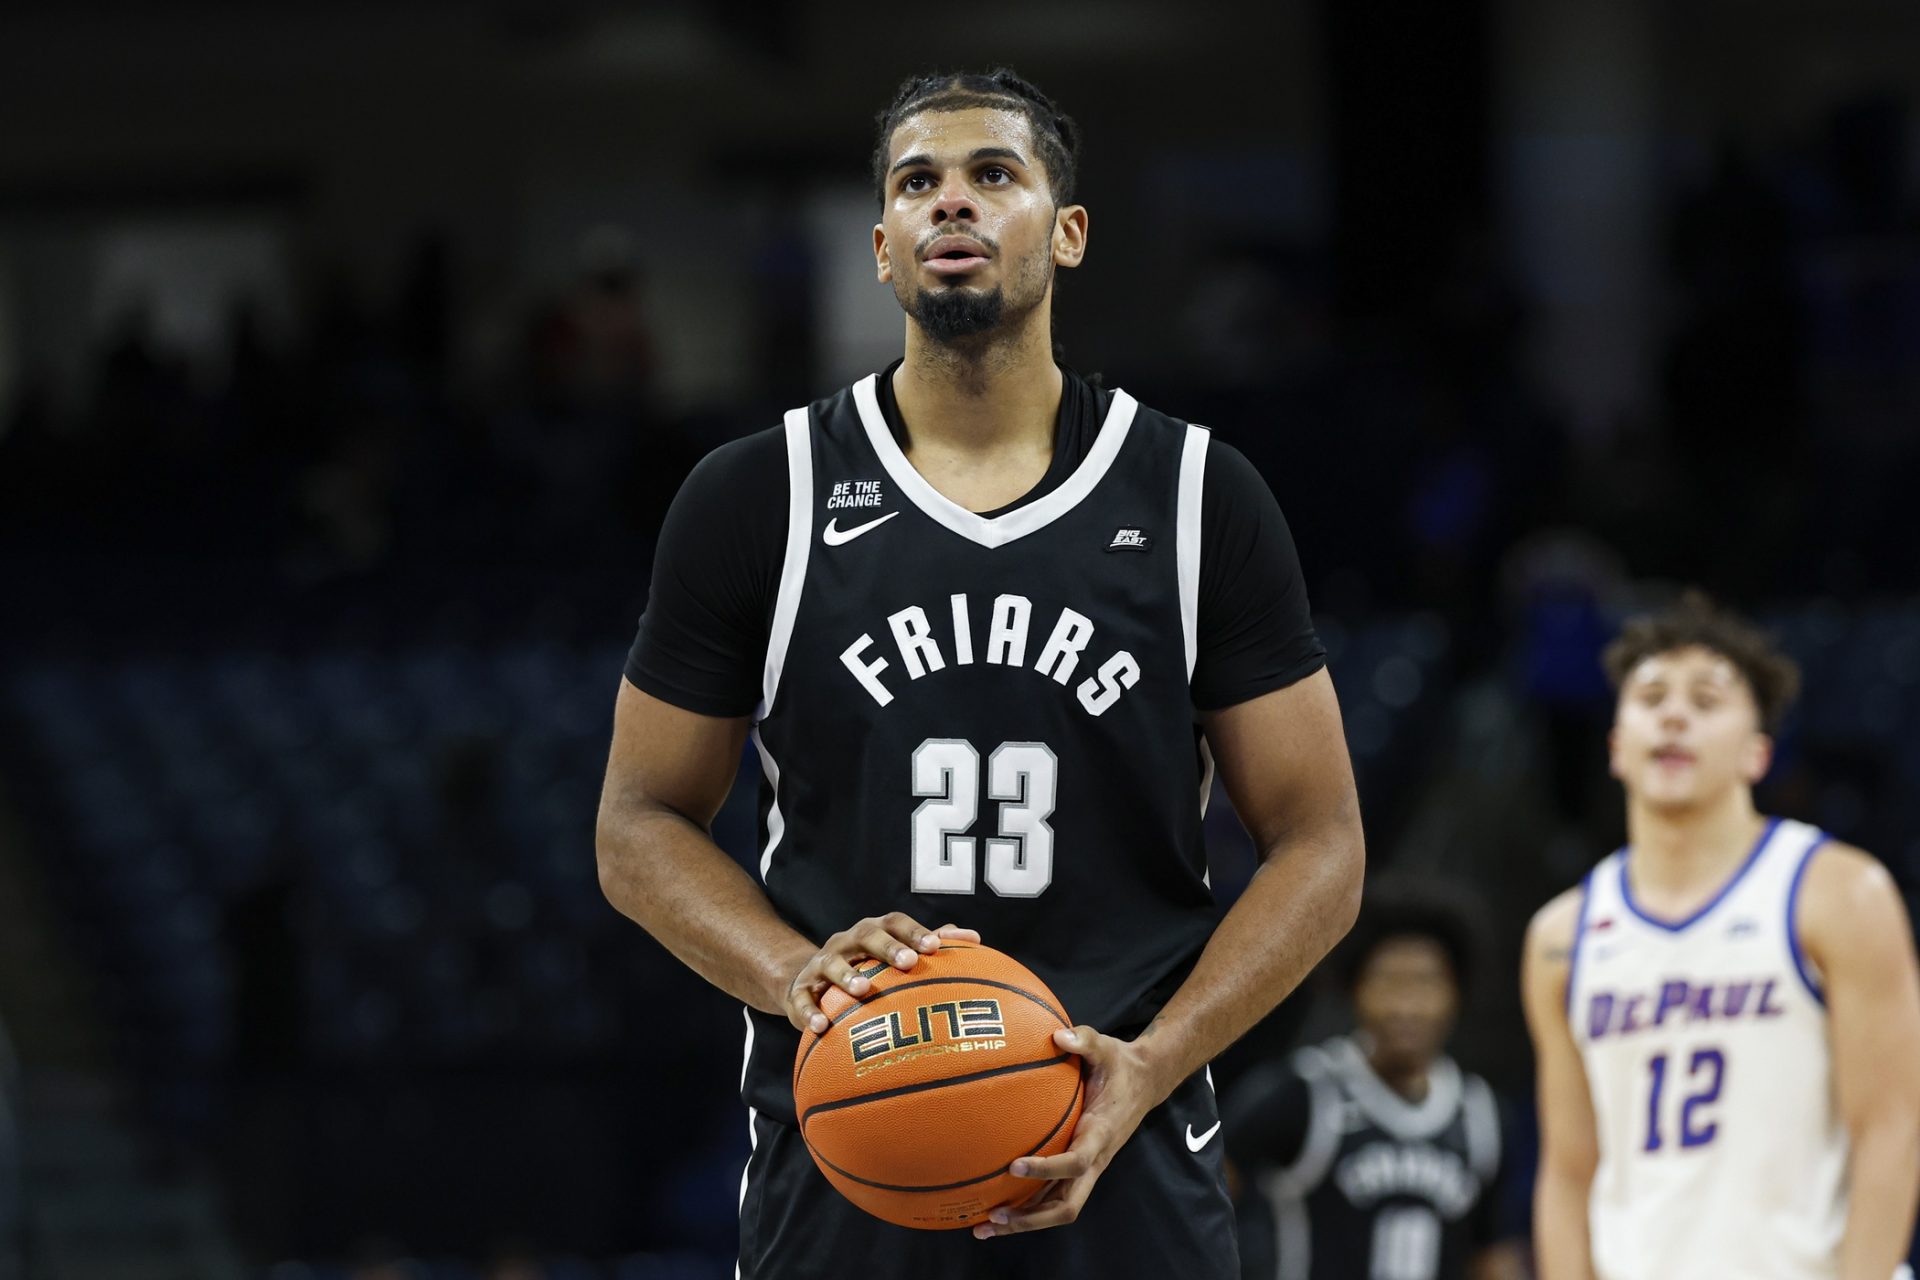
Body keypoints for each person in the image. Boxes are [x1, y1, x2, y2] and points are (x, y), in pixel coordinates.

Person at [595, 67, 1366, 1279]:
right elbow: (637, 822)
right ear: (884, 249)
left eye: (993, 175)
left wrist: (1155, 1060)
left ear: (1067, 235)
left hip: (1129, 1141)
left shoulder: (1196, 494)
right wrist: (792, 971)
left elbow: (1323, 842)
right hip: (850, 1140)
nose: (951, 203)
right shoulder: (760, 495)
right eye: (919, 184)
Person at [1522, 593, 1920, 1280]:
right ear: (1617, 746)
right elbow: (1567, 1171)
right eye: (1650, 698)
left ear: (1757, 753)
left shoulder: (1838, 892)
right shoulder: (1563, 935)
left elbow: (1889, 1131)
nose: (1674, 715)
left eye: (1706, 702)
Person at [1226, 885, 1524, 1280]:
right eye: (1387, 982)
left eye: (1425, 982)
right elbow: (1202, 1204)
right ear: (1354, 988)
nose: (1406, 1006)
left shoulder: (1483, 1118)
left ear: (1456, 992)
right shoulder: (1300, 1096)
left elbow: (1492, 1256)